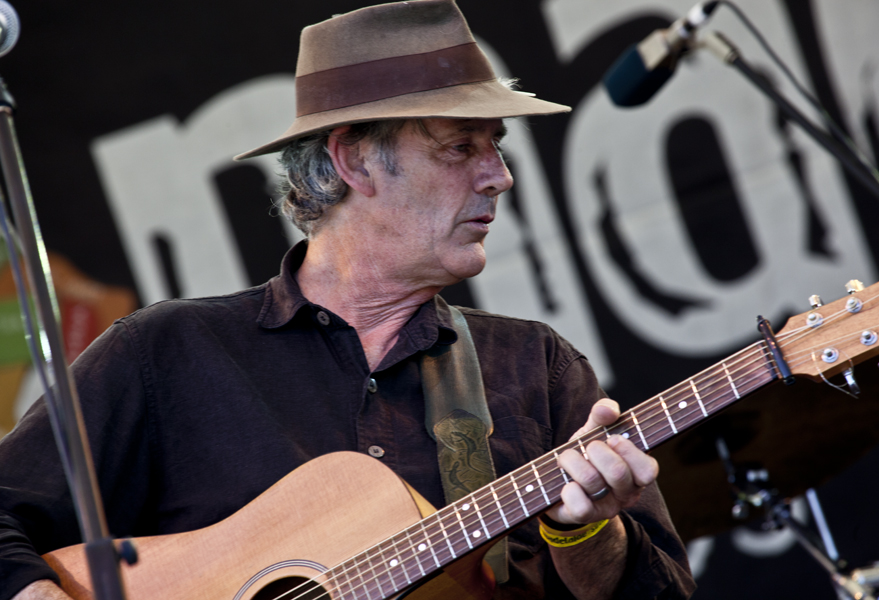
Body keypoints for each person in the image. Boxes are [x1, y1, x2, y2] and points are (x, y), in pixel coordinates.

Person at [2, 1, 695, 598]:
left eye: (498, 147)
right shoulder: (167, 354)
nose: (501, 177)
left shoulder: (534, 368)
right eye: (461, 147)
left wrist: (586, 532)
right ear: (354, 161)